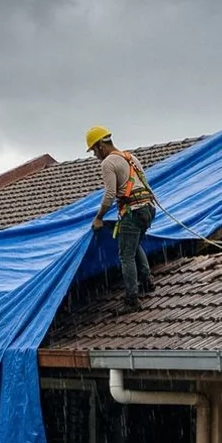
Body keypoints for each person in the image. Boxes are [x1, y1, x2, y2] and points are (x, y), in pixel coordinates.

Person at [86, 125, 156, 310]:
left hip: (133, 211)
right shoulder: (130, 157)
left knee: (125, 255)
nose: (94, 155)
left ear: (101, 145)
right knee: (133, 244)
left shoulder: (108, 162)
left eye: (94, 150)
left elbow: (109, 194)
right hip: (149, 209)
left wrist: (99, 217)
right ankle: (147, 279)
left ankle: (132, 300)